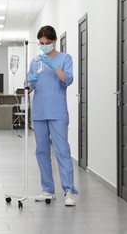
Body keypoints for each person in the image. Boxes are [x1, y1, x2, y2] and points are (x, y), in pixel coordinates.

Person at [27, 25, 78, 206]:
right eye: (42, 43)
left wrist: (53, 67)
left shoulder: (65, 58)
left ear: (54, 40)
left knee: (62, 150)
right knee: (41, 151)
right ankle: (47, 189)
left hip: (57, 111)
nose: (45, 45)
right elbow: (29, 86)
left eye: (48, 42)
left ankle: (69, 191)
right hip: (40, 111)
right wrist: (30, 83)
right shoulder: (35, 61)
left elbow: (68, 80)